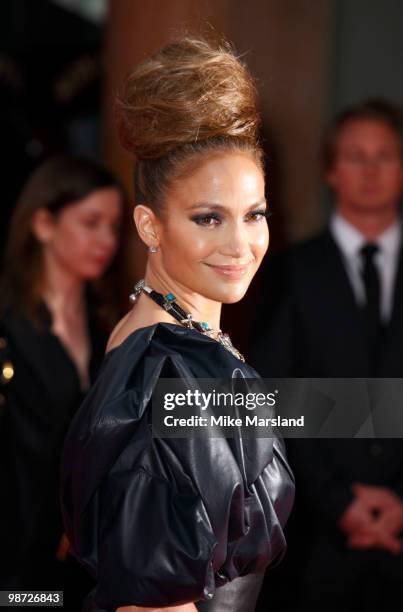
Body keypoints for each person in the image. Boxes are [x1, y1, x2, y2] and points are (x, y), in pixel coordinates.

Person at [60, 37, 295, 612]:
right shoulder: (167, 371)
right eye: (208, 218)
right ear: (148, 225)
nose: (240, 245)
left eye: (254, 214)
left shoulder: (162, 337)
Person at [251, 99, 403, 611]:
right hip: (316, 542)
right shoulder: (289, 271)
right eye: (355, 156)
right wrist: (340, 501)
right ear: (330, 170)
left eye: (384, 155)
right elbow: (271, 400)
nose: (370, 170)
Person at [0, 155, 124, 609]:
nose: (107, 240)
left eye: (114, 225)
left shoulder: (112, 325)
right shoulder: (8, 328)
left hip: (94, 562)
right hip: (17, 562)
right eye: (91, 223)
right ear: (44, 224)